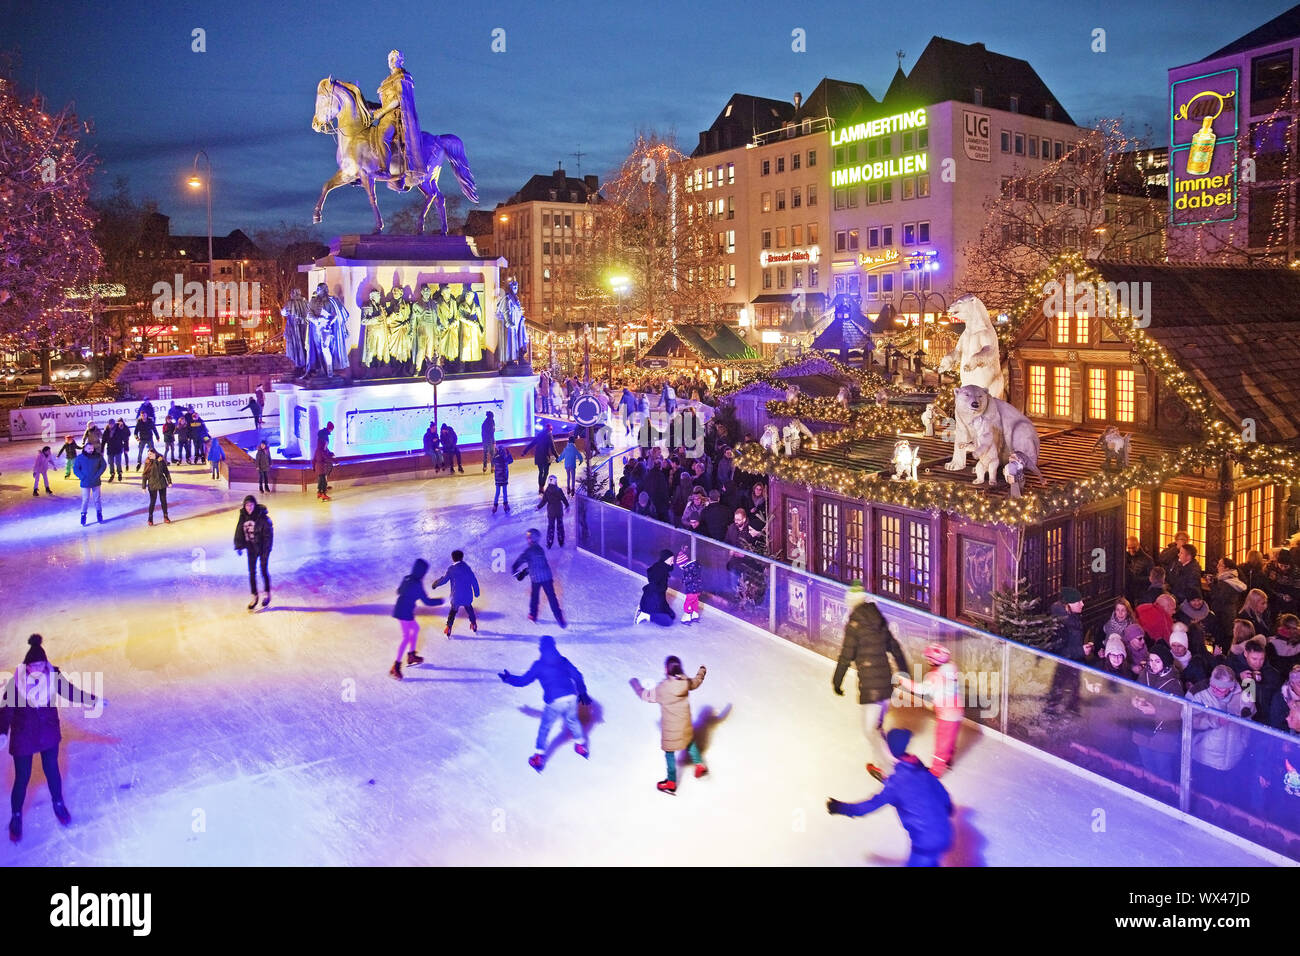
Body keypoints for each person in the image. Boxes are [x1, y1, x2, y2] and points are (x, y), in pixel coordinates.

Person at [0, 635, 100, 843]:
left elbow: (70, 692)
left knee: (52, 770)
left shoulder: (53, 677)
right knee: (22, 777)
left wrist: (92, 700)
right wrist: (2, 732)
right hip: (23, 735)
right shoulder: (15, 683)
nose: (36, 669)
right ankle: (16, 817)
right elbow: (5, 710)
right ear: (27, 666)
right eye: (32, 665)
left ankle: (58, 803)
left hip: (47, 732)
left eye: (40, 665)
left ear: (45, 664)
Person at [826, 728, 954, 867]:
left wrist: (840, 807)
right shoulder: (922, 771)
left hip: (925, 842)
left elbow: (867, 806)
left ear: (890, 754)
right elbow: (945, 797)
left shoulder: (896, 784)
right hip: (946, 834)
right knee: (931, 861)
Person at [833, 583, 910, 775]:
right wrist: (904, 672)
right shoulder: (878, 618)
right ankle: (880, 763)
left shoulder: (854, 624)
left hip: (871, 686)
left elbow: (845, 655)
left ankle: (891, 770)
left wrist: (837, 681)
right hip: (886, 684)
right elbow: (895, 647)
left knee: (870, 730)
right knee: (876, 727)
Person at [499, 635, 592, 772]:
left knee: (545, 728)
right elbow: (578, 676)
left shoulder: (538, 666)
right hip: (571, 697)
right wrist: (582, 692)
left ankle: (538, 757)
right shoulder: (563, 661)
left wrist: (509, 679)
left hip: (555, 700)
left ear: (541, 649)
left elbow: (523, 681)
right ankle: (581, 746)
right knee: (572, 720)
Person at [637, 655, 707, 794]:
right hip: (685, 724)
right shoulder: (685, 682)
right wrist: (702, 671)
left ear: (666, 669)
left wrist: (635, 685)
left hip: (671, 730)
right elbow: (697, 682)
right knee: (689, 742)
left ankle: (671, 782)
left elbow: (645, 696)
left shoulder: (663, 688)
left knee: (669, 753)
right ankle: (699, 764)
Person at [1186, 665, 1255, 806]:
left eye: (1220, 689)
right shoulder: (1197, 692)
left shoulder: (1243, 690)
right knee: (1205, 799)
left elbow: (1250, 715)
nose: (1215, 691)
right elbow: (1187, 719)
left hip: (1233, 756)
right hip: (1205, 757)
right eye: (1213, 686)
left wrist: (1244, 743)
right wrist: (1214, 720)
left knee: (1225, 802)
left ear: (1231, 686)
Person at [895, 643, 963, 777]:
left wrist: (903, 681)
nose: (927, 661)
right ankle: (948, 759)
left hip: (947, 714)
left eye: (929, 659)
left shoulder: (936, 676)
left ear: (933, 661)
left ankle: (936, 771)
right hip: (957, 710)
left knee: (942, 741)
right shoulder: (951, 667)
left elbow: (921, 689)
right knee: (950, 737)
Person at [390, 559, 444, 680]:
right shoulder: (417, 584)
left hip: (402, 608)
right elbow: (427, 601)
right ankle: (396, 667)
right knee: (406, 637)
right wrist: (441, 601)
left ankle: (411, 655)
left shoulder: (407, 578)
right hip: (404, 612)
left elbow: (398, 591)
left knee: (415, 628)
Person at [512, 528, 566, 627]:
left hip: (536, 579)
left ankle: (533, 615)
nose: (527, 539)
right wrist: (526, 571)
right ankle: (559, 618)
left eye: (528, 538)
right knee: (552, 597)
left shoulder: (528, 551)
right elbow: (536, 564)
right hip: (547, 576)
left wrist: (514, 570)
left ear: (531, 539)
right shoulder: (540, 549)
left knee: (534, 597)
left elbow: (519, 562)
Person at [1229, 637, 1282, 725]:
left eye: (1262, 659)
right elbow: (1222, 691)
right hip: (1240, 720)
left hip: (1265, 721)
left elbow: (1277, 701)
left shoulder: (1272, 674)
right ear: (1246, 653)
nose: (1258, 663)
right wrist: (1238, 677)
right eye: (1254, 659)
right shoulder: (1232, 667)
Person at [233, 494, 274, 610]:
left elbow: (269, 537)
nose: (249, 508)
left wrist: (266, 552)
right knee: (251, 573)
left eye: (251, 505)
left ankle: (267, 593)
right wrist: (239, 545)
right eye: (247, 505)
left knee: (263, 570)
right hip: (251, 548)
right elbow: (239, 531)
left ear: (255, 505)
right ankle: (254, 596)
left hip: (262, 548)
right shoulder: (243, 516)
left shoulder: (263, 518)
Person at [433, 549, 480, 637]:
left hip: (456, 596)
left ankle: (448, 628)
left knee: (453, 611)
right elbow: (474, 581)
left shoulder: (451, 569)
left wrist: (435, 584)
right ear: (462, 558)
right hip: (467, 595)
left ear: (453, 558)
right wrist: (476, 592)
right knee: (469, 608)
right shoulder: (467, 568)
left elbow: (444, 580)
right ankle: (473, 624)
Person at [636, 549, 676, 626]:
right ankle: (645, 615)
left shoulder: (663, 568)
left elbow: (662, 595)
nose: (672, 562)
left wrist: (665, 607)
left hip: (659, 596)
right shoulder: (659, 571)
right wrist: (660, 608)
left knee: (672, 616)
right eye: (671, 560)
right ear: (664, 559)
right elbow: (656, 592)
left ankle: (650, 611)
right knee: (668, 622)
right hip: (653, 601)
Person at [72, 440, 107, 526]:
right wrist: (82, 477)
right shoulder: (80, 458)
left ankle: (99, 514)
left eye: (92, 448)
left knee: (97, 499)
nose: (91, 450)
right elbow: (76, 468)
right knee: (85, 500)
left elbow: (103, 465)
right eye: (89, 448)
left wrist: (97, 475)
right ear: (85, 448)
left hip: (95, 482)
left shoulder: (98, 456)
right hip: (85, 483)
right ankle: (83, 515)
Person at [523, 424, 559, 493]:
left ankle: (540, 487)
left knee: (540, 472)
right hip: (545, 457)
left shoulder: (539, 434)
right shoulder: (549, 435)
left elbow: (532, 443)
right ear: (550, 429)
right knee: (545, 472)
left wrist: (524, 452)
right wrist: (557, 457)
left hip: (538, 456)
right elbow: (552, 448)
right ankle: (542, 487)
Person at [141, 448, 172, 526]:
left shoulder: (161, 460)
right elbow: (144, 475)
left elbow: (166, 472)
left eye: (150, 454)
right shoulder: (147, 462)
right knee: (152, 502)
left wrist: (169, 481)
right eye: (148, 454)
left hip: (162, 483)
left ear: (155, 453)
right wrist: (143, 486)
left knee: (163, 501)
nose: (149, 456)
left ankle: (166, 516)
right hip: (152, 484)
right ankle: (150, 518)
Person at [536, 474, 569, 548]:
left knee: (551, 527)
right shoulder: (559, 490)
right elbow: (563, 498)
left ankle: (549, 542)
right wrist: (567, 505)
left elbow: (544, 501)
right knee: (560, 526)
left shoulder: (547, 491)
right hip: (559, 511)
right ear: (555, 482)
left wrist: (538, 507)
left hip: (551, 512)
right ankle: (561, 541)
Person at [675, 545, 702, 625]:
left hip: (691, 590)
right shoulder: (695, 566)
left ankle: (687, 615)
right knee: (695, 601)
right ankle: (695, 614)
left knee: (688, 602)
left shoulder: (687, 570)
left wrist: (683, 580)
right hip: (698, 589)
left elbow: (688, 580)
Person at [1124, 536, 1155, 606]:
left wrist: (1136, 579)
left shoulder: (1147, 560)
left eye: (1133, 548)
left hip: (1139, 594)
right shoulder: (1124, 556)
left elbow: (1151, 578)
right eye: (1129, 548)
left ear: (1138, 545)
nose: (1131, 550)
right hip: (1126, 591)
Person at [491, 444, 513, 514]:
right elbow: (511, 460)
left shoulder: (496, 458)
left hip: (497, 479)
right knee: (504, 492)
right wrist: (509, 453)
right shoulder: (505, 459)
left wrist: (496, 453)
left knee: (497, 492)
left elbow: (493, 460)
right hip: (504, 478)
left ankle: (495, 505)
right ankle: (505, 504)